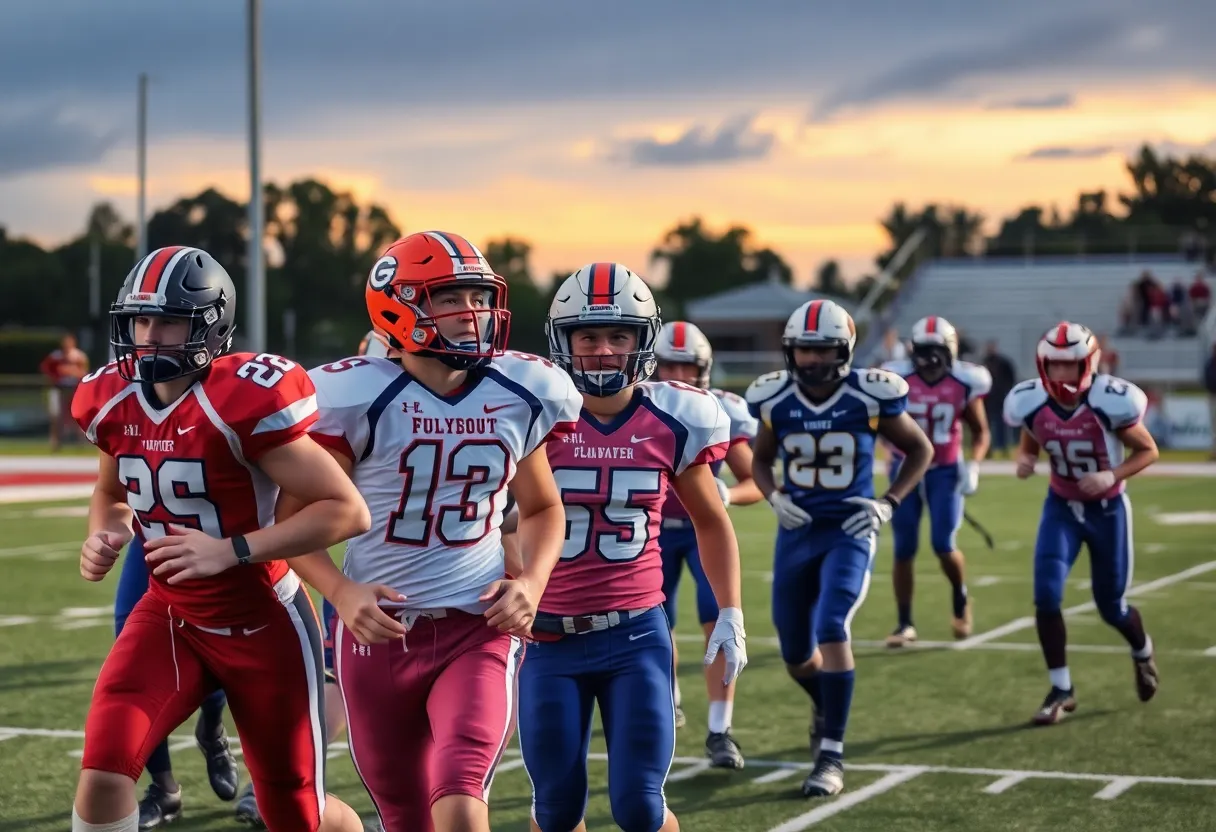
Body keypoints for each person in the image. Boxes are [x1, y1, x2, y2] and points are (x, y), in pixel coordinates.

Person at [69, 245, 371, 832]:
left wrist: (233, 550)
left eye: (167, 321)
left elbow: (346, 510)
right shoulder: (113, 399)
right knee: (103, 774)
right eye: (140, 320)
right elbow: (111, 492)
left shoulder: (237, 402)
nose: (148, 336)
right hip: (169, 616)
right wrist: (105, 533)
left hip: (263, 625)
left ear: (209, 327)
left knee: (295, 813)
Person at [288, 231, 579, 832]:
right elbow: (289, 523)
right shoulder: (357, 397)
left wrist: (532, 581)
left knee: (461, 801)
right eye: (450, 297)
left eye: (479, 296)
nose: (472, 312)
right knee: (405, 816)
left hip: (477, 626)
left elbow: (545, 508)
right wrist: (340, 591)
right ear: (398, 307)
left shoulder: (518, 391)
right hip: (377, 634)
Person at [518, 263, 746, 832]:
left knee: (641, 807)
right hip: (548, 636)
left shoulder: (674, 417)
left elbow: (711, 520)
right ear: (563, 341)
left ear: (643, 341)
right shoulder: (532, 416)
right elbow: (495, 521)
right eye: (588, 337)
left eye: (618, 336)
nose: (603, 350)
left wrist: (730, 611)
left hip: (635, 634)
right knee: (555, 810)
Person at [747, 299, 932, 798]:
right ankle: (826, 703)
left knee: (832, 625)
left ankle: (831, 754)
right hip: (797, 531)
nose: (811, 360)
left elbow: (920, 449)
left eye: (822, 349)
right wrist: (774, 495)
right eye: (803, 350)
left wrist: (889, 502)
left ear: (844, 350)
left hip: (850, 528)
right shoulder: (775, 400)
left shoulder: (867, 397)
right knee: (794, 652)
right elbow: (760, 461)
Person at [232, 329, 394, 829]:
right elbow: (300, 513)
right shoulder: (360, 408)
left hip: (439, 588)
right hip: (363, 583)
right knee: (335, 686)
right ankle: (290, 782)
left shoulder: (485, 406)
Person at [1004, 321, 1160, 725]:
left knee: (1112, 608)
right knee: (1046, 595)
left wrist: (1113, 475)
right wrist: (1026, 459)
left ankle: (1142, 650)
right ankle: (1061, 688)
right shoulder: (1031, 402)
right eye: (1053, 365)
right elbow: (1032, 435)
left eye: (1069, 365)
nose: (1061, 373)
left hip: (1107, 511)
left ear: (1087, 364)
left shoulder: (1109, 402)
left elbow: (1148, 450)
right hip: (1061, 508)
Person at [653, 320, 762, 767]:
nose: (679, 376)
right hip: (650, 533)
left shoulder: (720, 409)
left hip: (702, 532)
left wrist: (728, 494)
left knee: (717, 623)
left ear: (705, 368)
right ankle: (672, 699)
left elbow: (756, 479)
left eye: (688, 366)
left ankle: (720, 729)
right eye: (669, 366)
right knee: (655, 624)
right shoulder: (639, 406)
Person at [111, 534, 239, 829]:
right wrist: (102, 532)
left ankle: (212, 729)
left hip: (223, 537)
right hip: (152, 538)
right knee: (138, 668)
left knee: (219, 653)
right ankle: (164, 787)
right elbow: (110, 505)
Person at [881, 316, 991, 645]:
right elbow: (880, 421)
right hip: (905, 469)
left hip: (945, 469)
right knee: (904, 548)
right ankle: (904, 623)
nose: (929, 359)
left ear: (951, 351)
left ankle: (960, 597)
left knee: (943, 544)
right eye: (923, 351)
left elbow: (981, 432)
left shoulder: (963, 382)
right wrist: (886, 448)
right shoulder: (898, 380)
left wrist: (974, 465)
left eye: (936, 351)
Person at [41, 332, 89, 451]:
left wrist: (72, 371)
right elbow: (46, 369)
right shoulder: (55, 356)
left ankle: (80, 441)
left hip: (74, 389)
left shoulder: (79, 356)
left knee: (77, 415)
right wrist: (57, 374)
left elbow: (84, 373)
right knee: (56, 415)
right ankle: (56, 442)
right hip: (59, 388)